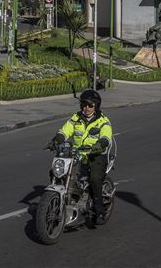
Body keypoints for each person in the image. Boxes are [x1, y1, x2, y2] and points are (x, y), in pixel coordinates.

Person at [47, 89, 113, 225]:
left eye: (90, 105)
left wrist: (97, 147)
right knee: (57, 172)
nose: (86, 108)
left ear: (96, 106)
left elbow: (106, 139)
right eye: (84, 104)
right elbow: (65, 131)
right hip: (78, 154)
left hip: (96, 155)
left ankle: (99, 210)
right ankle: (65, 199)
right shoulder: (76, 118)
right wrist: (56, 140)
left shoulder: (103, 122)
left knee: (94, 179)